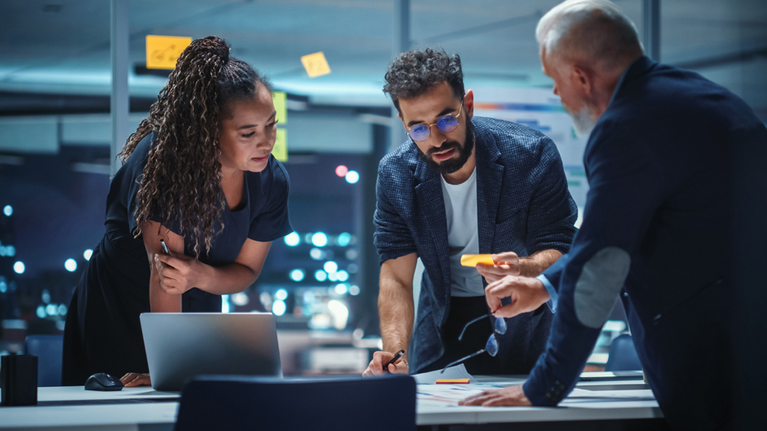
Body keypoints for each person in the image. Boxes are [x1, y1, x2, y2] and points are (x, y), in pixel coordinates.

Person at [459, 1, 767, 430]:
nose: (555, 94)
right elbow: (617, 236)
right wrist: (544, 286)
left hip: (712, 359)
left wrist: (544, 386)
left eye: (555, 80)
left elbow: (602, 264)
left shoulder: (625, 128)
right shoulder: (705, 100)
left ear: (581, 78)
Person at [62, 36, 293, 387]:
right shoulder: (166, 167)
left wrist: (201, 277)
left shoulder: (271, 181)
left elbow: (246, 269)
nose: (266, 141)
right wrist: (164, 367)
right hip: (120, 308)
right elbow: (166, 278)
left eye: (271, 125)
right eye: (248, 133)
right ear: (208, 132)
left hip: (196, 311)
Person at [362, 48, 578, 377]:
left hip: (524, 324)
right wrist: (395, 353)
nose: (436, 139)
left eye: (447, 119)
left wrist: (523, 267)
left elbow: (560, 247)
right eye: (418, 129)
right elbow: (396, 277)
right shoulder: (396, 174)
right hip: (441, 327)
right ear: (403, 124)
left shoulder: (531, 155)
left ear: (469, 105)